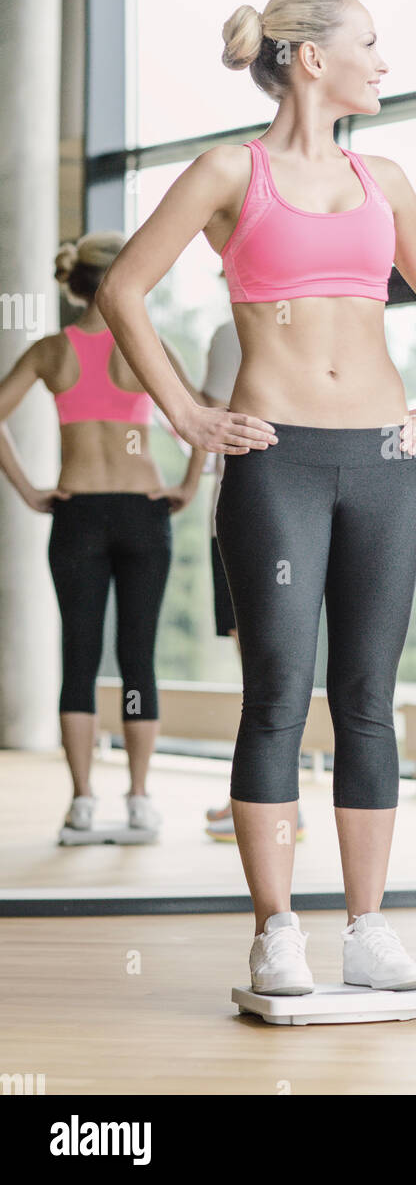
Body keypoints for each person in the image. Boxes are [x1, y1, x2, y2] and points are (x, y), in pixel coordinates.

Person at [95, 0, 416, 995]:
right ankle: (276, 929)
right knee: (278, 697)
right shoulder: (229, 170)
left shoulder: (386, 176)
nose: (383, 63)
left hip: (383, 461)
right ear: (310, 57)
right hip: (275, 460)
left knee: (369, 700)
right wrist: (189, 416)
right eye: (370, 45)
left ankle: (370, 926)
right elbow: (124, 290)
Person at [0, 232, 206, 835]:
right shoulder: (145, 344)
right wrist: (189, 486)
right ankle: (140, 798)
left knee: (79, 658)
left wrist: (28, 489)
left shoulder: (50, 351)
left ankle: (83, 801)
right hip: (143, 511)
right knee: (137, 659)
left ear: (77, 282)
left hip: (78, 513)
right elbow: (201, 417)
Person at [199, 310, 305, 845]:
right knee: (289, 667)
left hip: (250, 506)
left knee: (265, 674)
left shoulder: (229, 331)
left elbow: (211, 416)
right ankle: (288, 797)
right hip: (305, 503)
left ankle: (283, 798)